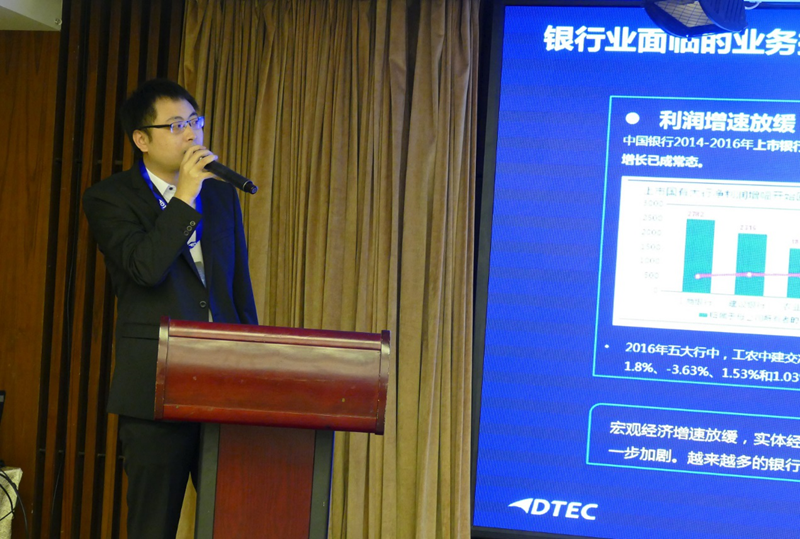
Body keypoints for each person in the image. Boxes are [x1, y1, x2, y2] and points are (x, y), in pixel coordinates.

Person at [82, 79, 258, 538]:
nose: (191, 134)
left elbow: (238, 289)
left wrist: (255, 365)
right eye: (176, 125)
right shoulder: (109, 198)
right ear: (142, 139)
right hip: (156, 388)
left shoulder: (221, 194)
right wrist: (184, 197)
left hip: (225, 384)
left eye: (195, 122)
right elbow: (145, 268)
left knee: (235, 521)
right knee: (152, 526)